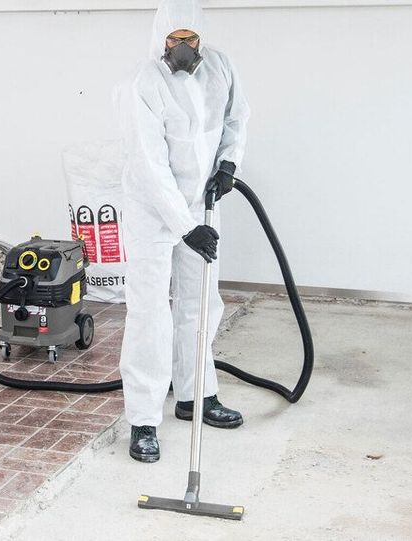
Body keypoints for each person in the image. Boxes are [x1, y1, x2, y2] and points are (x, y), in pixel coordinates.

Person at [118, 0, 250, 463]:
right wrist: (185, 225)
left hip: (202, 205)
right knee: (151, 311)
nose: (182, 48)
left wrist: (230, 161)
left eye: (190, 39)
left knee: (201, 302)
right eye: (174, 40)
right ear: (161, 40)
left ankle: (197, 395)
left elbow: (236, 118)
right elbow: (151, 167)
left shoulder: (221, 67)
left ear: (201, 38)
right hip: (153, 212)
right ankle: (143, 418)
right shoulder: (145, 83)